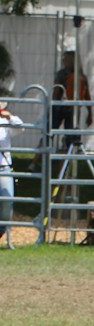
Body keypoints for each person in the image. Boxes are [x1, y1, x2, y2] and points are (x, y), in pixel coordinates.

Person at [51, 50, 93, 149]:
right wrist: (90, 113)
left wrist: (53, 105)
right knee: (69, 137)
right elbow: (87, 96)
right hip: (72, 109)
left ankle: (35, 163)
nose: (63, 61)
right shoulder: (81, 76)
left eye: (64, 59)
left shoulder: (62, 74)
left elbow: (56, 92)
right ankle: (63, 162)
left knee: (50, 133)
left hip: (62, 107)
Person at [1, 102, 23, 244]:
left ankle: (1, 230)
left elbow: (20, 127)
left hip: (3, 167)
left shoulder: (4, 121)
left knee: (7, 200)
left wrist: (10, 117)